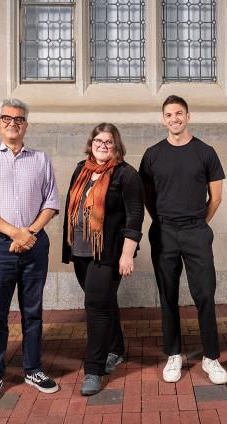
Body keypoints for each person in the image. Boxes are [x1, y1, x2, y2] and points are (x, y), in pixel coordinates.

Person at [0, 98, 60, 405]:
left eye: (19, 119)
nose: (13, 123)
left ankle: (33, 368)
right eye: (6, 118)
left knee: (33, 312)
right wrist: (15, 233)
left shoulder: (41, 159)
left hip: (34, 246)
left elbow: (51, 202)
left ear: (26, 125)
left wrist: (29, 233)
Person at [140, 95, 227, 385]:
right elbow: (147, 197)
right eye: (169, 114)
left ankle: (210, 357)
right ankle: (174, 354)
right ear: (163, 119)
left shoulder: (205, 152)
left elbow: (215, 197)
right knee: (167, 294)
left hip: (196, 231)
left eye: (179, 113)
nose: (174, 119)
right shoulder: (152, 154)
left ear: (187, 116)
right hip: (164, 231)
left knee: (204, 294)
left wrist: (198, 223)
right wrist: (163, 220)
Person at [62, 123, 144, 396]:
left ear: (116, 145)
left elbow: (135, 217)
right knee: (104, 302)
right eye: (98, 140)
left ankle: (93, 370)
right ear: (91, 143)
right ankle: (116, 349)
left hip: (108, 254)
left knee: (95, 306)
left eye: (109, 142)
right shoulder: (81, 169)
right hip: (82, 252)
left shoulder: (126, 174)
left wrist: (127, 254)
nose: (103, 145)